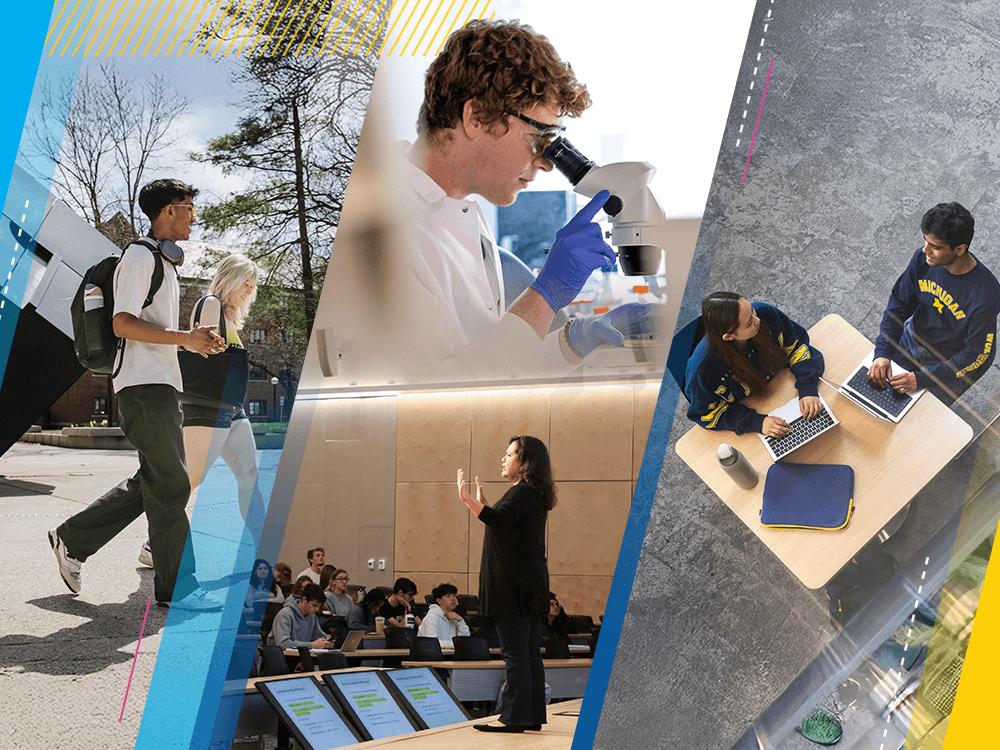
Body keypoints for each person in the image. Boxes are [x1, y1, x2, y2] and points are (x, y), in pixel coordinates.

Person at [374, 19, 654, 382]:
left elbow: (491, 365)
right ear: (475, 117)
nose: (546, 162)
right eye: (539, 137)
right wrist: (546, 294)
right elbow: (443, 397)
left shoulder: (461, 211)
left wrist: (576, 340)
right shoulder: (385, 230)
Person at [49, 179, 227, 611]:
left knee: (155, 480)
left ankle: (72, 538)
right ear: (168, 211)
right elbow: (122, 323)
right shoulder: (140, 256)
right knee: (171, 482)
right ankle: (180, 588)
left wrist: (192, 340)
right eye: (188, 208)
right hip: (142, 385)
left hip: (160, 384)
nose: (193, 216)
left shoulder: (164, 264)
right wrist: (185, 338)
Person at [138, 254, 264, 568]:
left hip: (232, 410)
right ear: (229, 279)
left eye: (252, 286)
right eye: (244, 283)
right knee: (190, 480)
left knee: (249, 475)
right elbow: (196, 346)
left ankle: (263, 545)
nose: (248, 290)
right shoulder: (211, 305)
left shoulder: (230, 317)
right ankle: (154, 544)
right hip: (208, 407)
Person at [457, 435, 554, 733]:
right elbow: (504, 522)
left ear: (525, 462)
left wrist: (468, 500)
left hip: (512, 589)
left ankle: (514, 717)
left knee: (516, 655)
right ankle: (531, 715)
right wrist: (485, 506)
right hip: (525, 588)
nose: (504, 458)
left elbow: (498, 521)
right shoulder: (530, 493)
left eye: (510, 453)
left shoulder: (522, 492)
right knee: (527, 654)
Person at [869, 202, 1000, 405]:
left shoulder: (985, 296)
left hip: (950, 364)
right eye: (926, 241)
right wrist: (883, 352)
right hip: (912, 341)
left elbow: (974, 354)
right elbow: (899, 304)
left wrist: (922, 379)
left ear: (960, 249)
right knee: (874, 395)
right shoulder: (922, 259)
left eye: (935, 247)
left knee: (920, 423)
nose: (925, 249)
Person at [684, 292, 825, 437]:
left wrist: (808, 387)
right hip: (754, 412)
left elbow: (797, 346)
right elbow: (708, 414)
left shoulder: (765, 313)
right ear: (729, 336)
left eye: (752, 310)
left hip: (785, 389)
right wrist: (756, 422)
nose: (758, 320)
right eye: (749, 323)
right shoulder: (702, 370)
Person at [266, 583, 332, 650]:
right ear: (304, 599)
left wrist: (327, 642)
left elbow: (319, 637)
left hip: (301, 656)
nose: (317, 609)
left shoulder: (312, 617)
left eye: (319, 606)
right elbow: (283, 644)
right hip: (281, 657)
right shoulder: (284, 615)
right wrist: (312, 645)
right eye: (314, 605)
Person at [418, 583, 471, 648]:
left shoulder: (454, 617)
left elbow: (465, 640)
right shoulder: (431, 617)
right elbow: (432, 643)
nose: (452, 598)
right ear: (439, 601)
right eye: (448, 596)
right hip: (431, 656)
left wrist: (461, 621)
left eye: (454, 595)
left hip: (451, 655)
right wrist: (456, 645)